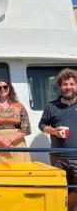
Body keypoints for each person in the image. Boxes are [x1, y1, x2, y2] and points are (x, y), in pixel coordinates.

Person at [38, 68, 77, 210]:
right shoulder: (51, 106)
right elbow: (41, 125)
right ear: (60, 86)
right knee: (59, 189)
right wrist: (54, 131)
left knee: (76, 190)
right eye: (65, 84)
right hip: (58, 156)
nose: (68, 87)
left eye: (72, 84)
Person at [0, 78, 31, 162]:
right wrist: (2, 140)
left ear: (9, 88)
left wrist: (9, 140)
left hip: (17, 144)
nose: (2, 89)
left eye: (5, 87)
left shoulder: (19, 106)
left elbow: (25, 128)